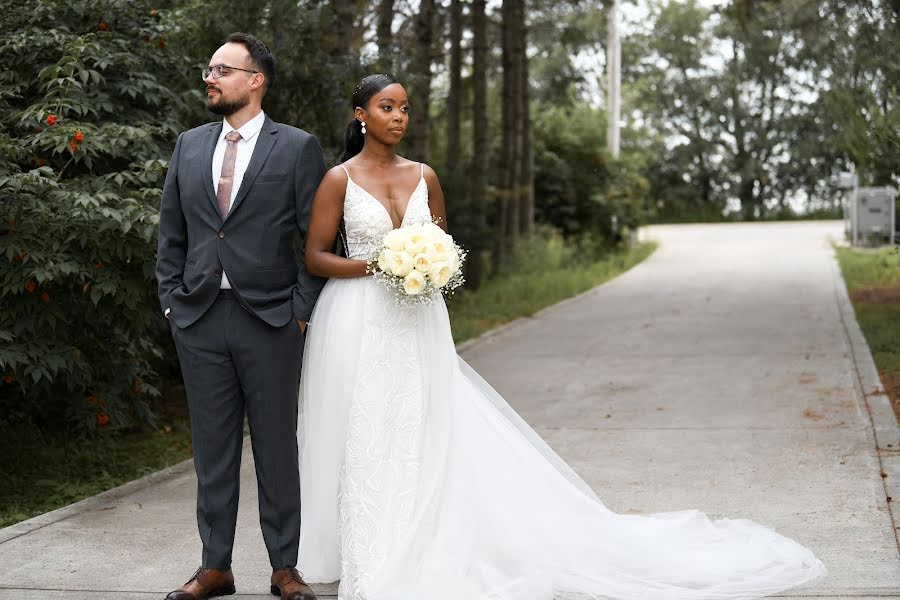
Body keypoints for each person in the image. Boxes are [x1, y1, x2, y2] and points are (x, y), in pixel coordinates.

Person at [297, 73, 827, 600]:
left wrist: (426, 266)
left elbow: (440, 245)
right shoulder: (339, 180)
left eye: (406, 108)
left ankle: (426, 538)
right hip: (359, 317)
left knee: (427, 425)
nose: (399, 117)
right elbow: (316, 256)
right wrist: (380, 265)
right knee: (369, 429)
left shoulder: (425, 175)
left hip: (418, 316)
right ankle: (372, 547)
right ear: (361, 114)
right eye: (387, 107)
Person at [155, 33, 324, 600]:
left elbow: (318, 238)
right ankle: (214, 567)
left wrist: (300, 310)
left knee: (277, 446)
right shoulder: (188, 145)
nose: (210, 77)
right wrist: (174, 303)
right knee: (212, 448)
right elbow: (172, 234)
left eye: (223, 70)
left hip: (271, 319)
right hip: (200, 318)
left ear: (256, 80)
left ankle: (285, 568)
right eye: (209, 69)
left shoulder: (296, 147)